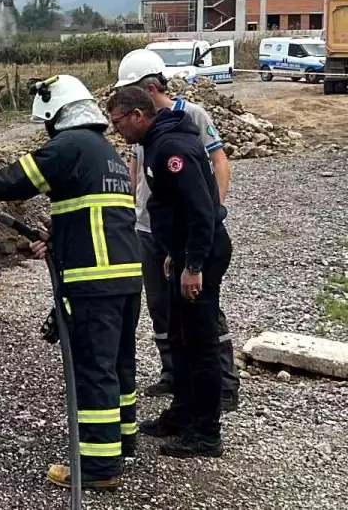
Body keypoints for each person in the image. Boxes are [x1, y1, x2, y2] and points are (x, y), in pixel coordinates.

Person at [0, 75, 142, 490]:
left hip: (93, 280)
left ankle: (99, 468)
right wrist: (56, 239)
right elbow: (92, 214)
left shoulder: (70, 145)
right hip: (123, 276)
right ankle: (120, 440)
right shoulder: (106, 152)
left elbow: (18, 178)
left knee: (93, 368)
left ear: (55, 112)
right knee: (118, 362)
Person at [105, 85, 232, 458]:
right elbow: (171, 209)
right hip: (181, 253)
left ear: (137, 116)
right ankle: (182, 412)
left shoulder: (171, 149)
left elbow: (199, 211)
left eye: (117, 122)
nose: (116, 131)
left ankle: (206, 433)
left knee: (200, 343)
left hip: (203, 255)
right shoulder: (156, 143)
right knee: (178, 336)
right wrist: (174, 255)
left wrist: (192, 264)